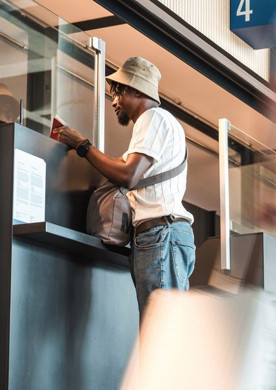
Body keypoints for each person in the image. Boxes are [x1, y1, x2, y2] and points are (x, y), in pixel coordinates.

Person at [55, 56, 195, 315]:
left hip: (161, 235)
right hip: (163, 236)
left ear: (136, 90)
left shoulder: (153, 118)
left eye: (117, 92)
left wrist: (81, 145)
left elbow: (128, 175)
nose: (114, 101)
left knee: (161, 338)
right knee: (162, 335)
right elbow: (124, 167)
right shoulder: (160, 123)